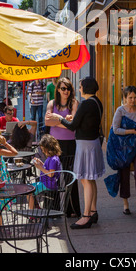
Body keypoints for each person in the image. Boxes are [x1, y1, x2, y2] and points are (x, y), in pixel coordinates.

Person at [54, 77, 105, 229]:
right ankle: (93, 211)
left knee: (85, 180)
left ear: (86, 88)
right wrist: (71, 119)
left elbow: (73, 126)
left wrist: (60, 118)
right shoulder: (97, 102)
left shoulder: (85, 104)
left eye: (81, 86)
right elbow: (84, 122)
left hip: (85, 145)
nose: (79, 88)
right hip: (93, 143)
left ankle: (86, 215)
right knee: (91, 178)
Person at [45, 77, 81, 217]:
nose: (66, 91)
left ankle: (71, 209)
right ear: (58, 89)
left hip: (69, 143)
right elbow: (47, 121)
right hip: (54, 144)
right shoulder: (52, 103)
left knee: (70, 176)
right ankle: (53, 209)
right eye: (63, 88)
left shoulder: (74, 103)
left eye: (68, 88)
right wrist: (64, 122)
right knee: (53, 175)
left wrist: (56, 119)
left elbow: (73, 126)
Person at [112, 86, 136, 219]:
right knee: (124, 175)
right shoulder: (120, 111)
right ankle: (125, 204)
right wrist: (132, 131)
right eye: (130, 98)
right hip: (124, 147)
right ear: (125, 98)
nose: (133, 100)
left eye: (135, 97)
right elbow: (115, 129)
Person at [28, 134, 62, 210]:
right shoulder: (52, 158)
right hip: (46, 183)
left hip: (48, 184)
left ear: (48, 148)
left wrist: (39, 167)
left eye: (43, 149)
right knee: (29, 187)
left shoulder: (53, 159)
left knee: (29, 191)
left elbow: (51, 174)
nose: (42, 151)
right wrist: (41, 164)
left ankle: (32, 212)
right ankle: (36, 207)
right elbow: (49, 169)